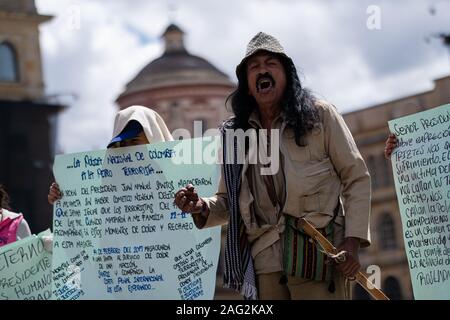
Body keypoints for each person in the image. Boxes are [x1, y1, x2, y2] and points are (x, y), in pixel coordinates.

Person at [174, 32, 371, 300]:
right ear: (247, 84)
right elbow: (228, 203)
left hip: (318, 254)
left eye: (270, 63)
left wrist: (352, 240)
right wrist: (199, 207)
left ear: (287, 74)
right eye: (254, 67)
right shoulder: (235, 136)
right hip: (265, 263)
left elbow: (356, 176)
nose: (262, 70)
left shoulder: (320, 116)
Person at [48, 105, 173, 204]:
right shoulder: (107, 184)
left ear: (153, 139)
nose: (128, 149)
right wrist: (63, 199)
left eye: (134, 141)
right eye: (122, 144)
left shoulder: (178, 176)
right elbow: (89, 216)